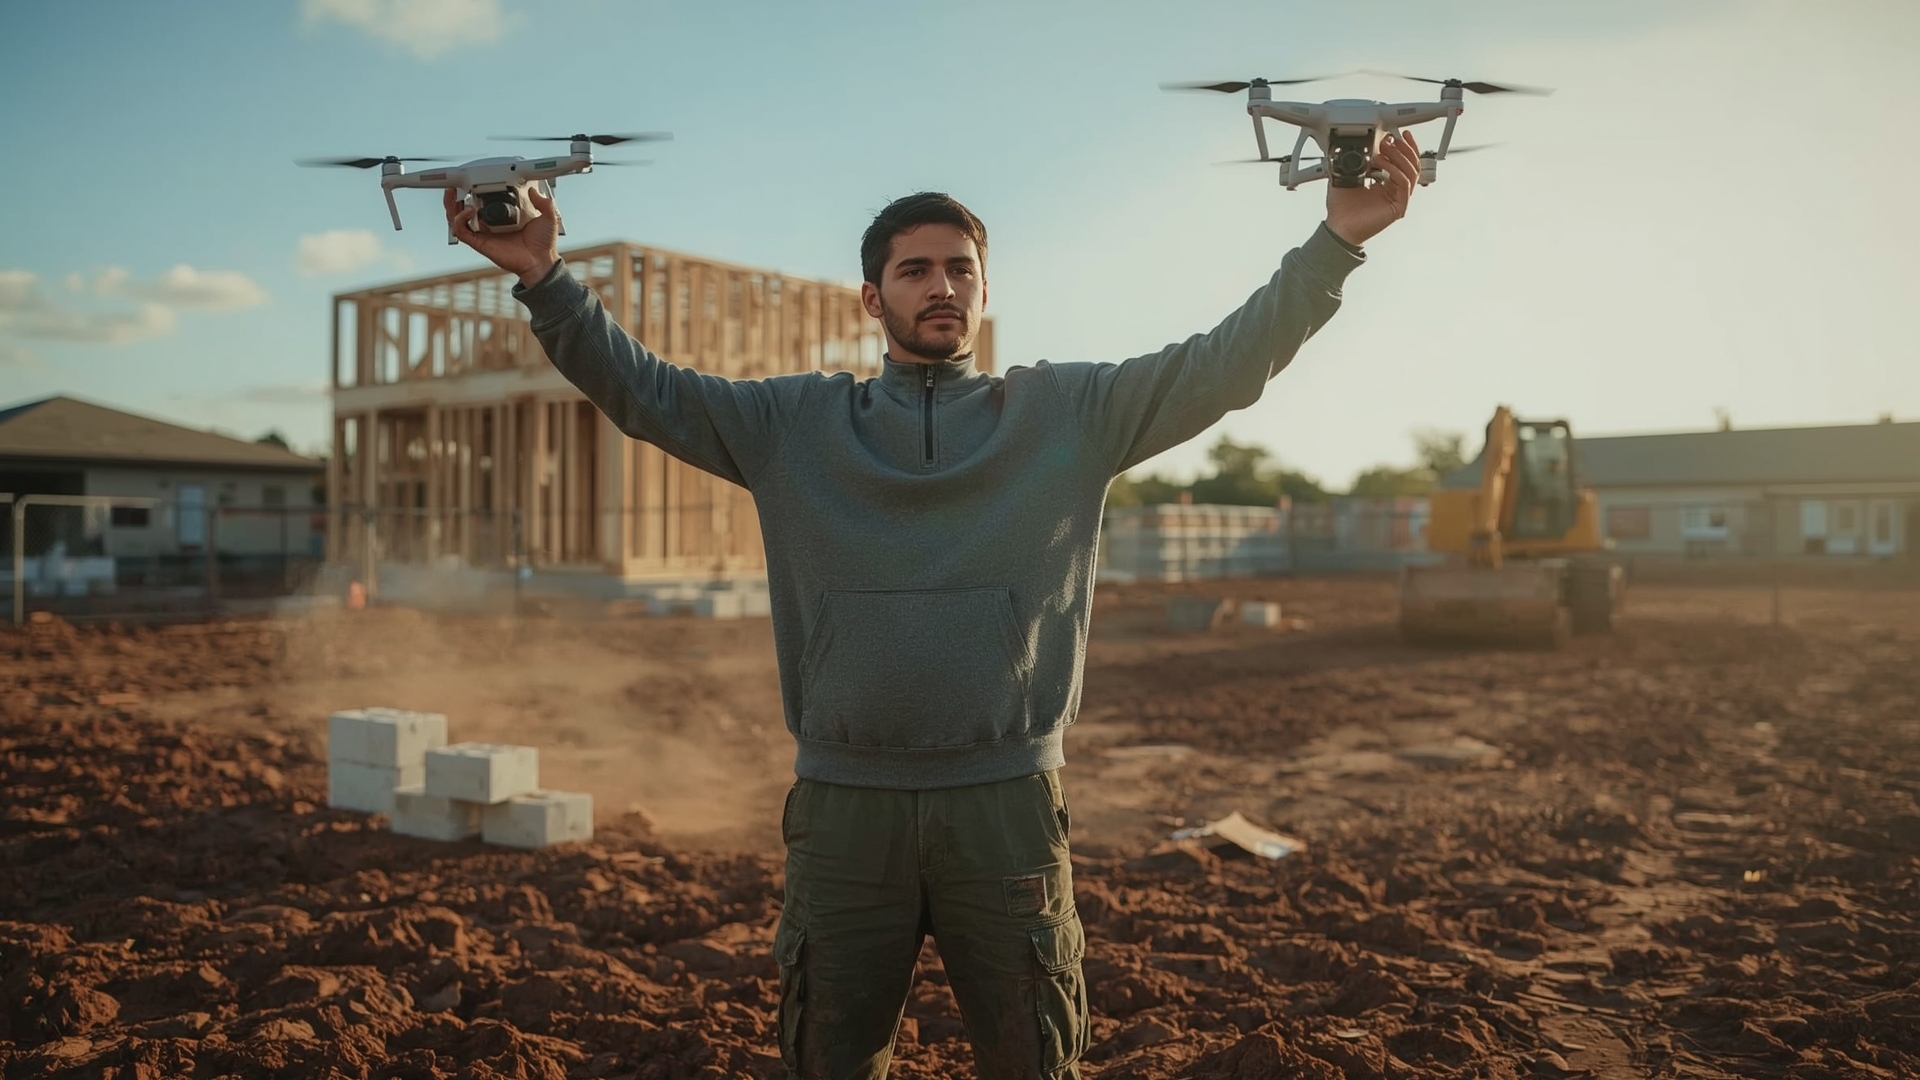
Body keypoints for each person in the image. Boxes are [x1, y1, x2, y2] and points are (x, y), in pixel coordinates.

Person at [446, 129, 1423, 1080]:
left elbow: (1225, 362)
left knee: (1033, 1057)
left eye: (959, 268)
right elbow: (641, 390)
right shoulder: (791, 426)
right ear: (875, 296)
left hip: (1004, 808)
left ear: (985, 290)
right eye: (916, 270)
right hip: (844, 810)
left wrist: (1338, 242)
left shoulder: (1069, 418)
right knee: (829, 1057)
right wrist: (543, 277)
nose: (941, 285)